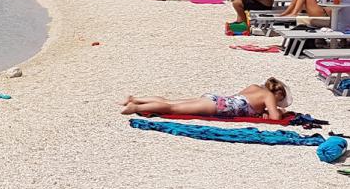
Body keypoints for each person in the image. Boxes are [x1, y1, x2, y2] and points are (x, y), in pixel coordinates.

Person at [121, 78, 290, 120]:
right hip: (218, 106)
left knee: (171, 101)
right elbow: (275, 118)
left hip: (216, 99)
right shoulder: (268, 96)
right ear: (276, 94)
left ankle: (136, 99)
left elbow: (241, 100)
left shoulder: (255, 87)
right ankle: (136, 108)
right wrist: (279, 111)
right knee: (172, 109)